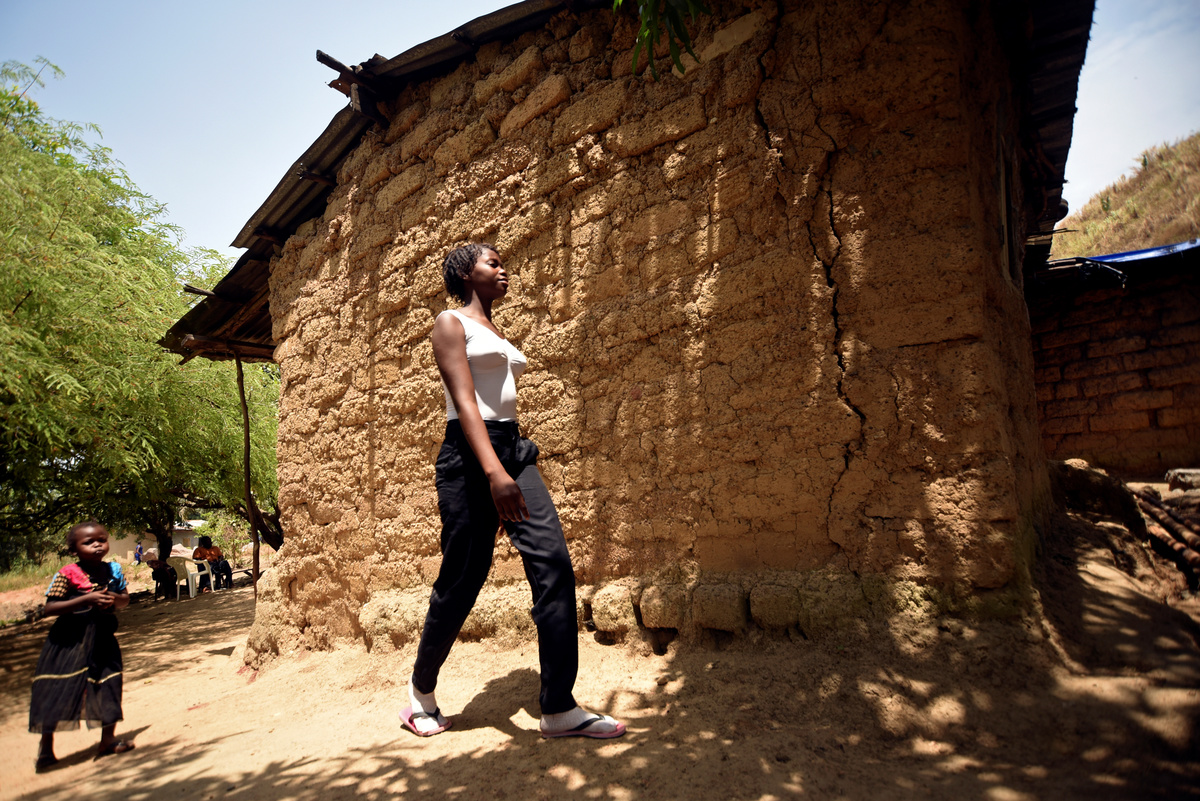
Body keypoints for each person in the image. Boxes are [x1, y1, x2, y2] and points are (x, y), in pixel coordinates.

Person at [403, 243, 625, 740]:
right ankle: (421, 691)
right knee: (463, 577)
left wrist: (507, 466)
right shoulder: (450, 323)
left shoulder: (496, 331)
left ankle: (559, 707)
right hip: (468, 457)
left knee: (553, 563)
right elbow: (465, 401)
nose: (504, 270)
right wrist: (493, 474)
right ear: (466, 272)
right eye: (493, 262)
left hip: (512, 449)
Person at [29, 521, 135, 771]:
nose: (97, 545)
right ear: (74, 549)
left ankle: (107, 740)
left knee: (109, 683)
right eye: (88, 542)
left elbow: (125, 600)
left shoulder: (113, 571)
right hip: (68, 641)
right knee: (57, 687)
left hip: (103, 637)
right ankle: (46, 749)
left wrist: (112, 599)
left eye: (102, 540)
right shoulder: (67, 574)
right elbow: (50, 608)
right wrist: (87, 599)